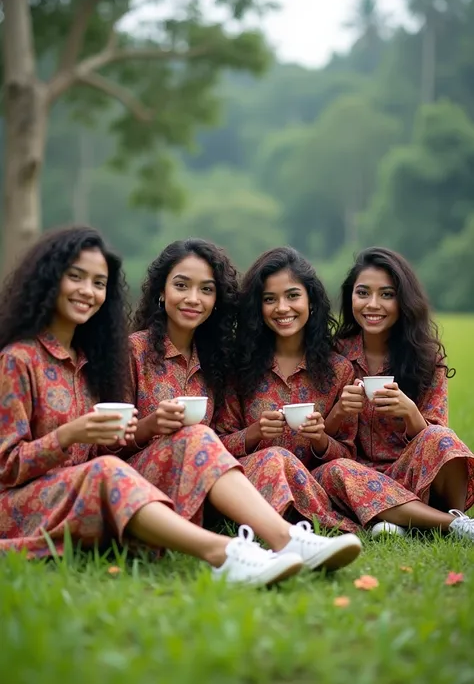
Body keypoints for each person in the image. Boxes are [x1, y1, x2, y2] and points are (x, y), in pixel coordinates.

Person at [0, 226, 310, 587]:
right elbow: (7, 466)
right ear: (49, 280)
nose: (88, 291)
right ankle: (225, 553)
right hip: (27, 505)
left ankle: (287, 540)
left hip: (103, 494)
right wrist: (73, 434)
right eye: (76, 277)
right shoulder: (17, 360)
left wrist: (122, 433)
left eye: (99, 283)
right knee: (107, 470)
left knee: (197, 437)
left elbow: (104, 446)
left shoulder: (91, 362)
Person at [125, 238, 361, 572]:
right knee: (197, 436)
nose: (194, 298)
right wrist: (150, 426)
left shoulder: (214, 362)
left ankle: (293, 538)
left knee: (271, 457)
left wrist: (320, 431)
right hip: (140, 488)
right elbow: (106, 443)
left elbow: (217, 448)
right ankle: (287, 540)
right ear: (161, 292)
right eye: (181, 286)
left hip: (201, 489)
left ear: (216, 300)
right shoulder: (132, 352)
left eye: (206, 289)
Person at [215, 246, 370, 545]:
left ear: (311, 301)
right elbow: (214, 447)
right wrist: (253, 433)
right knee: (275, 456)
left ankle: (443, 522)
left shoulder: (338, 370)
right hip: (251, 487)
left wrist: (320, 438)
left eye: (292, 296)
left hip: (315, 484)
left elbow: (348, 454)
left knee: (343, 470)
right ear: (257, 309)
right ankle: (308, 532)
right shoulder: (237, 367)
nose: (282, 308)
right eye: (269, 299)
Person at [318, 246, 474, 540]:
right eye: (363, 293)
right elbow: (318, 439)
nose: (373, 304)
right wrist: (339, 411)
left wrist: (411, 413)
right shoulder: (332, 357)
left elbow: (440, 444)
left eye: (386, 294)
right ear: (351, 296)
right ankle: (443, 524)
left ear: (403, 301)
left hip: (414, 475)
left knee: (440, 437)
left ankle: (455, 520)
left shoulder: (425, 359)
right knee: (335, 470)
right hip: (358, 477)